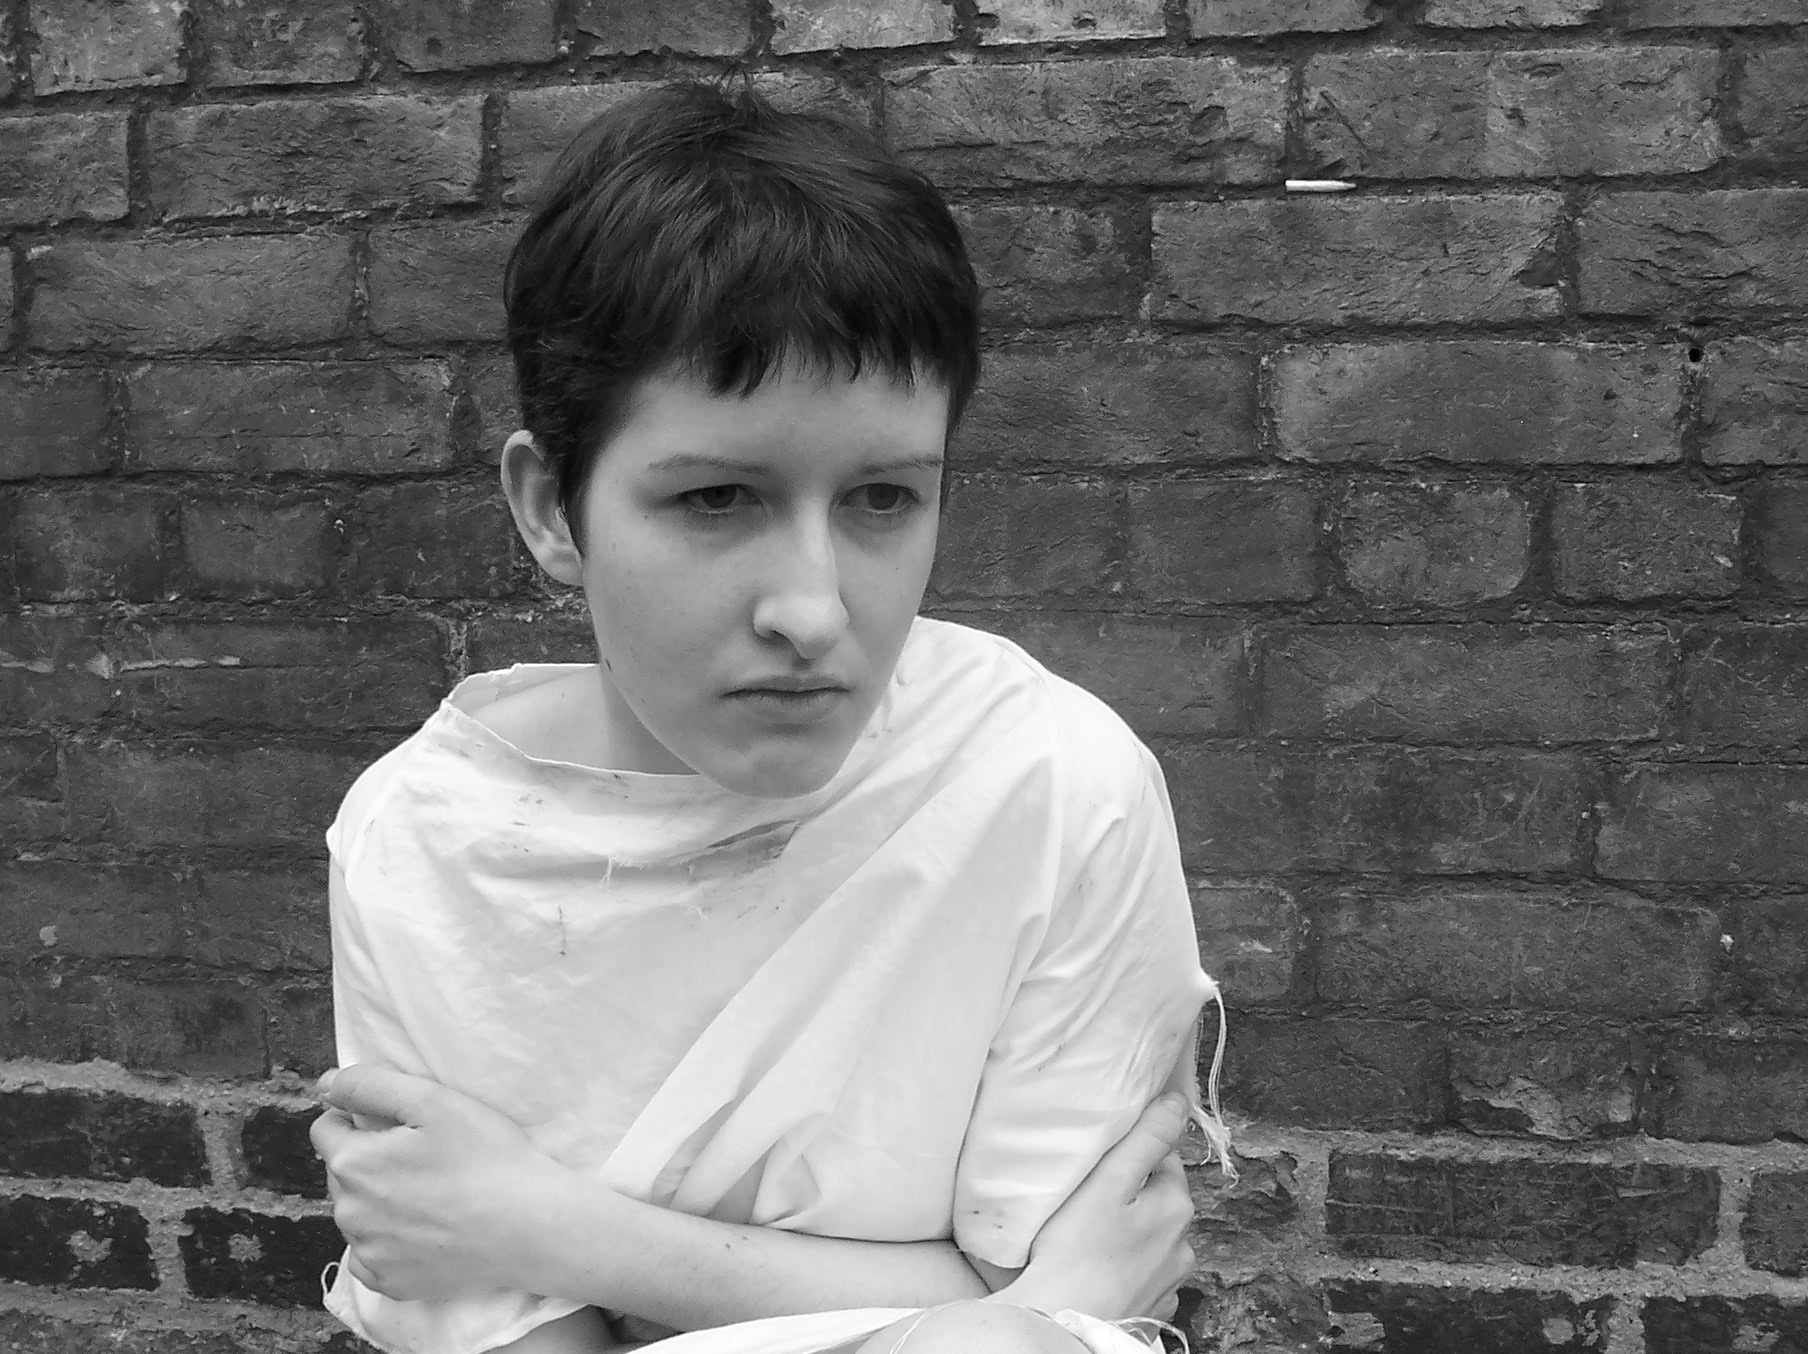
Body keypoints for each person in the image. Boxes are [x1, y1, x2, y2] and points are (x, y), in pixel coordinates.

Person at [308, 80, 1230, 1354]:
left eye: (882, 499)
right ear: (551, 509)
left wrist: (549, 1227)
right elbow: (1046, 1291)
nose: (812, 608)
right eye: (716, 499)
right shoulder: (424, 844)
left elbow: (1058, 1310)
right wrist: (992, 1305)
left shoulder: (1046, 782)